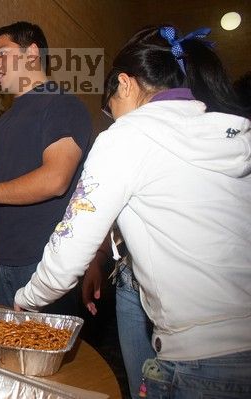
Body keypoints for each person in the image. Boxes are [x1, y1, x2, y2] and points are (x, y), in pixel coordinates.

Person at [15, 25, 251, 398]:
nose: (114, 120)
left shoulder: (128, 136)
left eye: (111, 111)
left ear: (124, 84)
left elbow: (68, 250)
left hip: (199, 359)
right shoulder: (234, 133)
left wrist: (26, 299)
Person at [0, 21, 92, 313]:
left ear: (32, 53)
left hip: (45, 265)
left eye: (2, 53)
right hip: (0, 267)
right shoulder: (2, 124)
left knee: (42, 358)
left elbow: (55, 179)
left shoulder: (62, 106)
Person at [83, 231, 154, 399]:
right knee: (142, 392)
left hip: (189, 292)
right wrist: (96, 260)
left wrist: (31, 296)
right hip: (130, 284)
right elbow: (111, 219)